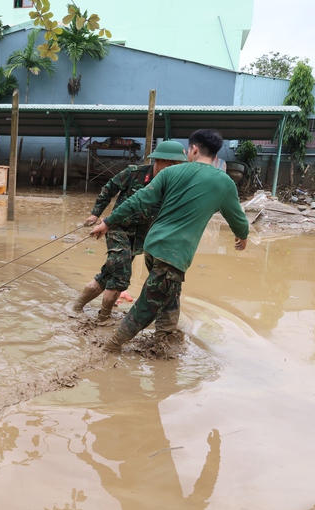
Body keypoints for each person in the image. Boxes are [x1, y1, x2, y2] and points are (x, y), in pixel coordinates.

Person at [89, 129, 250, 352]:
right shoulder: (224, 183)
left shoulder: (170, 173)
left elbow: (137, 200)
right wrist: (242, 238)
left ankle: (164, 339)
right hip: (175, 254)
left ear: (193, 149)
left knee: (170, 294)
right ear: (215, 154)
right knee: (148, 305)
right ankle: (109, 347)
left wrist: (106, 222)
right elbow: (239, 220)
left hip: (152, 247)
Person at [74, 140, 187, 323]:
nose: (175, 170)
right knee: (121, 276)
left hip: (142, 235)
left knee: (109, 273)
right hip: (117, 227)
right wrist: (95, 214)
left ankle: (75, 307)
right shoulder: (133, 173)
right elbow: (108, 189)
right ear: (157, 161)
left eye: (178, 166)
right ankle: (103, 318)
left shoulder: (173, 185)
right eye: (172, 165)